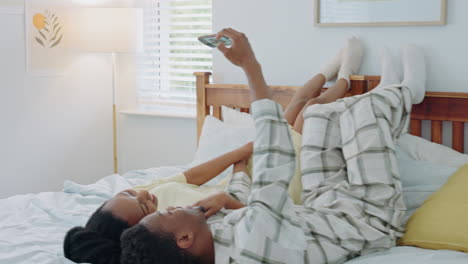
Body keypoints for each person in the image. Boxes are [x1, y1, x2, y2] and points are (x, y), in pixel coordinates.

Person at [120, 28, 426, 264]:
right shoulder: (253, 245)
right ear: (184, 239)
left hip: (321, 206)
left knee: (317, 113)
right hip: (369, 220)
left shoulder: (211, 245)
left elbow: (260, 211)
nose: (172, 207)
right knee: (364, 110)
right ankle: (405, 93)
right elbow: (272, 160)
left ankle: (383, 91)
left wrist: (230, 193)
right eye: (169, 214)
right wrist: (249, 64)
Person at [63, 143, 252, 264]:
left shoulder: (150, 193)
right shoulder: (183, 225)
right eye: (144, 206)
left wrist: (242, 154)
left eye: (127, 193)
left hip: (240, 179)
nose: (144, 193)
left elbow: (193, 176)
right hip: (251, 196)